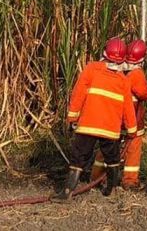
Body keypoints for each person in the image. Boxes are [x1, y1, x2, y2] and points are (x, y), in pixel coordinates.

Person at [56, 38, 137, 200]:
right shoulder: (123, 79)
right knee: (112, 158)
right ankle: (111, 189)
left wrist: (72, 117)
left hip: (88, 125)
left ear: (104, 53)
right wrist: (132, 129)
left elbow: (78, 94)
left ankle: (67, 192)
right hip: (110, 129)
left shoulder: (91, 69)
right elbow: (128, 107)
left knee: (79, 157)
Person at [91, 39, 147, 189]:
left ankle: (96, 176)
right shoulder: (136, 74)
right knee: (133, 148)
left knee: (107, 148)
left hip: (115, 118)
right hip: (133, 120)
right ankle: (130, 180)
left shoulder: (117, 70)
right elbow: (144, 94)